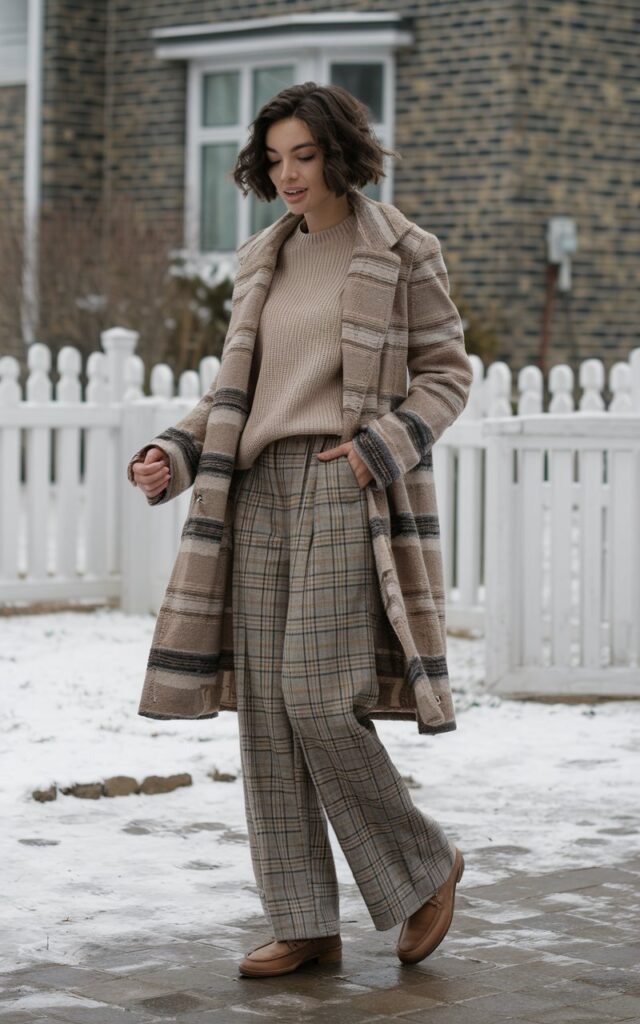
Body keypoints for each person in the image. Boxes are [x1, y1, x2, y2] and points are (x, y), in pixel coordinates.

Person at [129, 81, 471, 979]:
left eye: (304, 157)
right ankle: (303, 919)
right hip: (255, 492)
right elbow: (235, 394)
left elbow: (447, 374)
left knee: (319, 697)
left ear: (340, 154)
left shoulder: (402, 249)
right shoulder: (262, 258)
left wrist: (379, 448)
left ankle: (422, 865)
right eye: (274, 159)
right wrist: (175, 447)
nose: (288, 175)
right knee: (268, 714)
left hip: (342, 481)